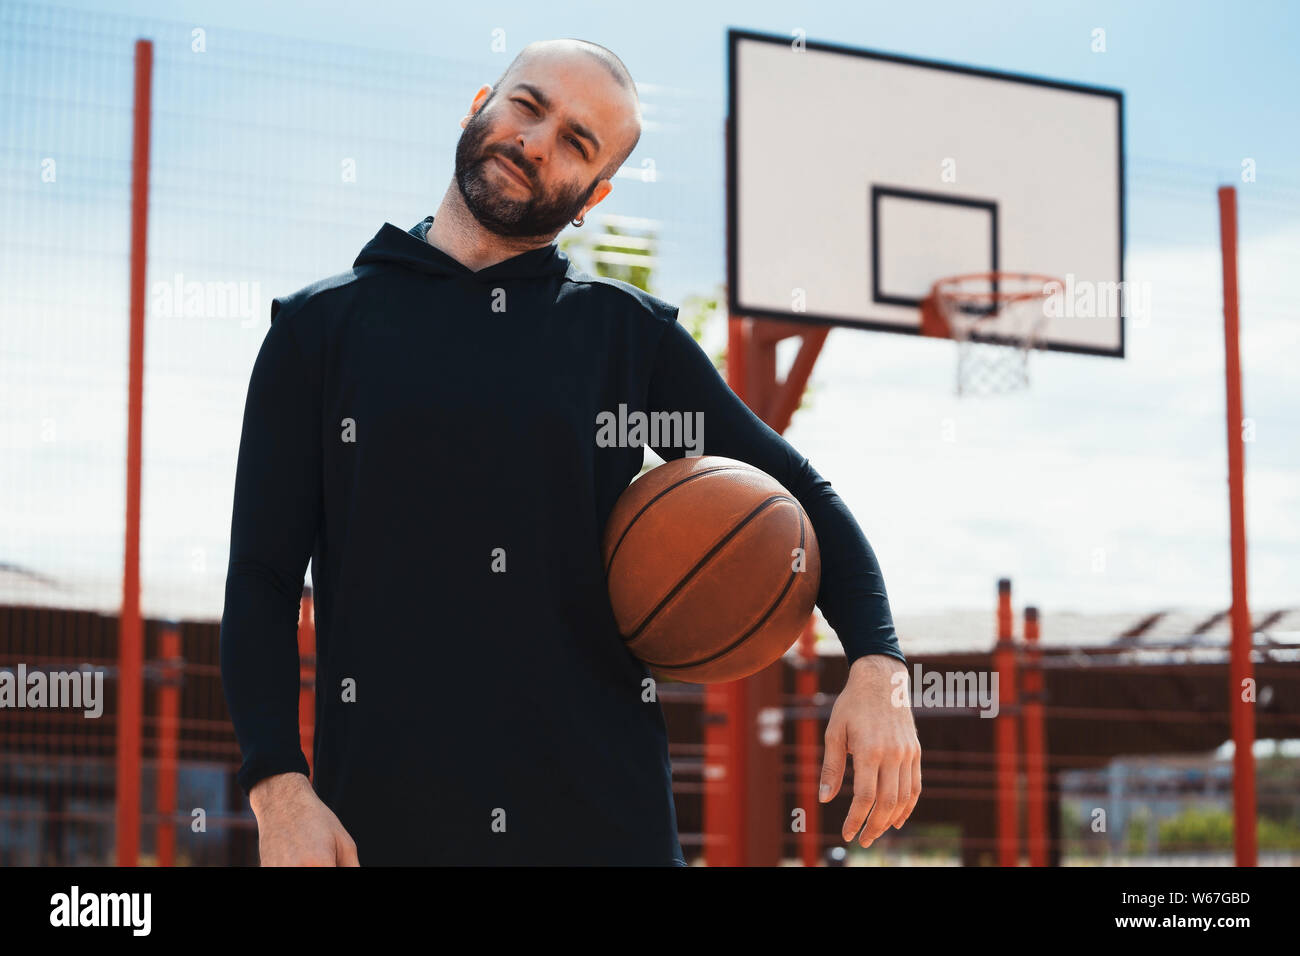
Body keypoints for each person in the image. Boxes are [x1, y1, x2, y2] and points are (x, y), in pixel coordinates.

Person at [220, 37, 921, 866]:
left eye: (579, 143)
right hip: (383, 828)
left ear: (593, 195)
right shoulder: (318, 332)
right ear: (482, 102)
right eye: (529, 105)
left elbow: (797, 491)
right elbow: (262, 580)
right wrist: (278, 788)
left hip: (606, 828)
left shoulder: (627, 338)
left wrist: (879, 665)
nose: (538, 140)